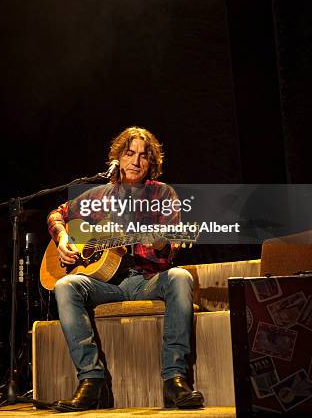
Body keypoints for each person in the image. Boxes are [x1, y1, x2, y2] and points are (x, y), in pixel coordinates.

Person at [45, 126, 204, 412]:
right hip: (106, 284)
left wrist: (161, 243)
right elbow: (57, 214)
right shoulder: (99, 195)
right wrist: (64, 238)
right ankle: (91, 382)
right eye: (129, 153)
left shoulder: (162, 195)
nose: (136, 161)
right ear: (118, 157)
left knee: (180, 277)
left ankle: (175, 381)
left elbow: (171, 248)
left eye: (144, 156)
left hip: (146, 280)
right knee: (64, 286)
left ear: (151, 163)